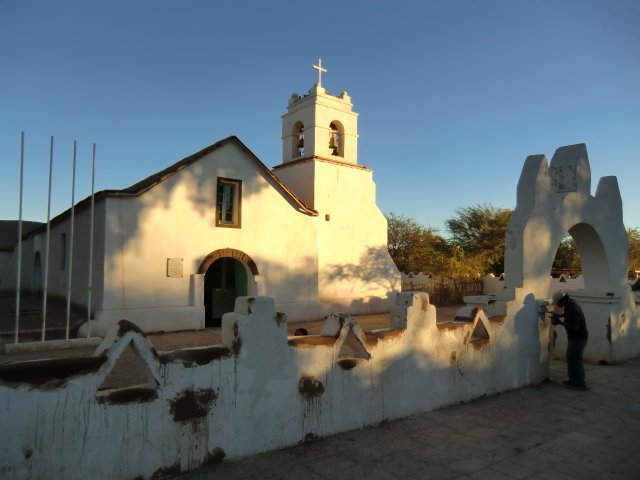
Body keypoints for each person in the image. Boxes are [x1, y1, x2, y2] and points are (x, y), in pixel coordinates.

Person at [551, 290, 589, 390]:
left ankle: (579, 383)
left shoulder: (572, 307)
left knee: (574, 359)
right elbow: (569, 315)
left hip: (578, 337)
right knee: (573, 358)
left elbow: (574, 326)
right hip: (577, 337)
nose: (558, 305)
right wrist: (560, 316)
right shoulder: (570, 304)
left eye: (559, 303)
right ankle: (574, 380)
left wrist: (559, 322)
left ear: (563, 300)